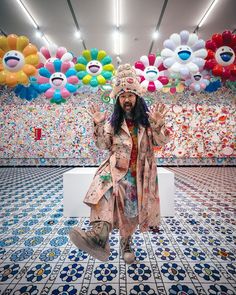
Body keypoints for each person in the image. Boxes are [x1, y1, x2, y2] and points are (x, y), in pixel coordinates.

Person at [69, 64, 170, 264]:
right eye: (122, 96)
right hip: (114, 170)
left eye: (130, 95)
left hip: (137, 174)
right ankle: (99, 237)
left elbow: (161, 142)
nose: (126, 100)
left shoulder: (147, 122)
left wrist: (159, 124)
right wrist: (98, 125)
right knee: (102, 196)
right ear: (118, 100)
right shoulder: (113, 123)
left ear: (137, 98)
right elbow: (102, 145)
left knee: (130, 211)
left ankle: (126, 244)